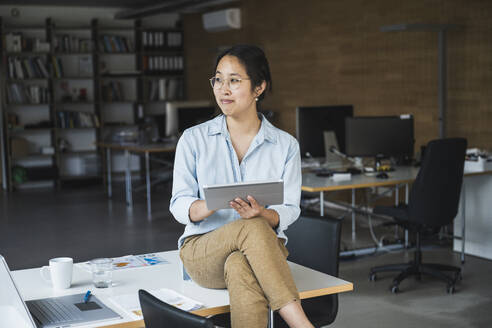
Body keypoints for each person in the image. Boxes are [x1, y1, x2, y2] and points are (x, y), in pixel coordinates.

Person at [170, 44, 315, 328]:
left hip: (260, 254)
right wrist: (207, 205)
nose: (223, 89)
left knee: (240, 264)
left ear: (259, 88)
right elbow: (178, 205)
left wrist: (263, 213)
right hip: (203, 251)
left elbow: (289, 209)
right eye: (218, 79)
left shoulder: (285, 146)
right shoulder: (193, 139)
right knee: (250, 229)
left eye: (234, 80)